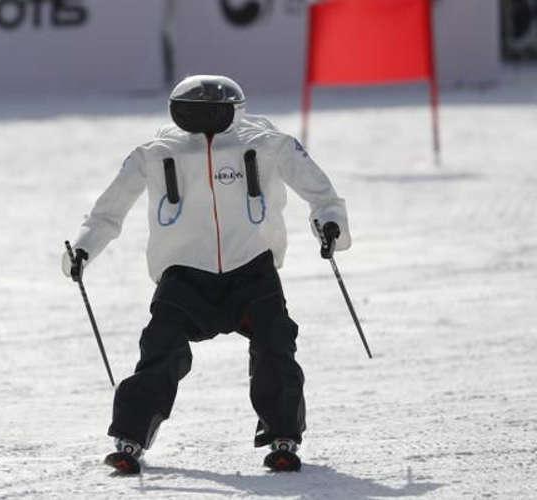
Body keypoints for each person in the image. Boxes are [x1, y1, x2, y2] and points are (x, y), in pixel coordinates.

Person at [61, 75, 351, 473]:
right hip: (183, 274)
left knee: (274, 344)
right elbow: (107, 211)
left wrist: (329, 224)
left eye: (214, 109)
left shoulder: (267, 144)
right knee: (160, 348)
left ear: (234, 110)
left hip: (251, 269)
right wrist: (82, 249)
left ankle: (283, 433)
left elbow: (321, 194)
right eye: (192, 110)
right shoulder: (155, 153)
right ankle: (130, 436)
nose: (204, 117)